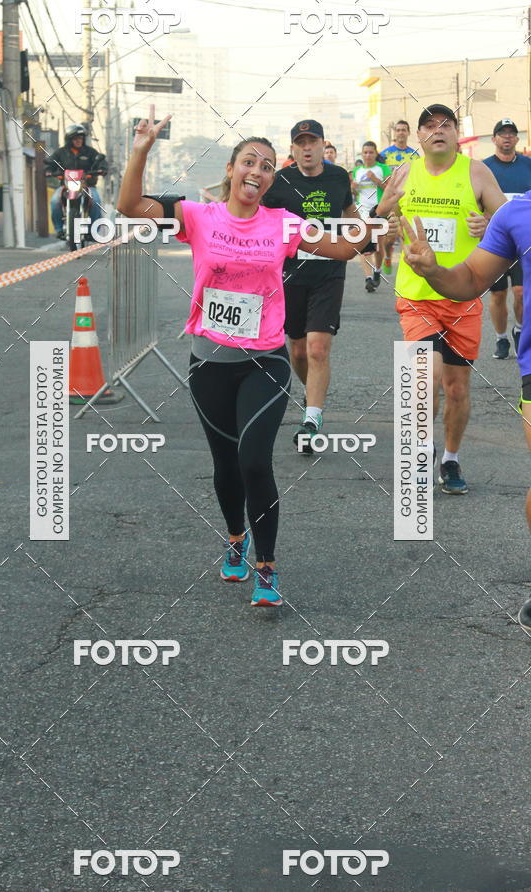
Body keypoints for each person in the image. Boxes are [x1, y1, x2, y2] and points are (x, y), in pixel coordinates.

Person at [116, 107, 391, 607]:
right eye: (249, 161)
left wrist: (375, 220)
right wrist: (141, 149)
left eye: (266, 165)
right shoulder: (197, 216)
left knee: (254, 461)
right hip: (208, 364)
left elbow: (344, 251)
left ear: (270, 179)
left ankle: (267, 567)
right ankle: (235, 538)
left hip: (265, 360)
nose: (257, 171)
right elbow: (130, 207)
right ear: (231, 169)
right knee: (225, 464)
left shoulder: (284, 224)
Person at [399, 193, 531, 629]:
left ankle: (447, 458)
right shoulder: (519, 211)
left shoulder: (480, 179)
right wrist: (434, 270)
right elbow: (472, 276)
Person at [377, 103, 506, 493]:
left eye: (446, 124)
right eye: (428, 125)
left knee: (456, 388)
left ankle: (450, 457)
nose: (438, 130)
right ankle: (422, 448)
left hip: (464, 295)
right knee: (424, 378)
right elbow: (380, 216)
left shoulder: (476, 172)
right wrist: (386, 211)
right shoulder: (403, 172)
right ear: (418, 136)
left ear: (455, 135)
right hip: (417, 294)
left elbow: (508, 225)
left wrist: (487, 224)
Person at [262, 120, 361, 450]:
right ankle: (312, 395)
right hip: (290, 275)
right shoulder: (278, 183)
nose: (306, 148)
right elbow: (258, 220)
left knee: (319, 347)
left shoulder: (338, 177)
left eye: (312, 142)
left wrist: (369, 232)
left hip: (330, 272)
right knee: (300, 350)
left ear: (322, 145)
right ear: (292, 149)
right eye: (300, 143)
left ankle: (311, 419)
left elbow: (349, 212)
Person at [482, 119, 531, 359]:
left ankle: (519, 330)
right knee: (498, 294)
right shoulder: (483, 168)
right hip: (496, 244)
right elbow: (475, 203)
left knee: (521, 292)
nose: (507, 137)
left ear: (517, 139)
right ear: (494, 139)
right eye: (502, 133)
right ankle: (501, 338)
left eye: (512, 133)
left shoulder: (528, 166)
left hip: (523, 244)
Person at [44, 124, 107, 238]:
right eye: (75, 138)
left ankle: (93, 231)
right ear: (69, 139)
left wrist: (102, 168)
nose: (79, 140)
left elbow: (100, 162)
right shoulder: (60, 153)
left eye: (81, 138)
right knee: (54, 201)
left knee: (96, 201)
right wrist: (48, 170)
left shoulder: (90, 152)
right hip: (66, 186)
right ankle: (59, 230)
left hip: (87, 185)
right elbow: (51, 163)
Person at [379, 119, 420, 275]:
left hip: (409, 200)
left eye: (404, 129)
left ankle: (410, 267)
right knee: (389, 237)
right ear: (394, 133)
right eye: (398, 130)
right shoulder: (384, 155)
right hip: (390, 200)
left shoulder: (415, 156)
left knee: (407, 234)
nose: (401, 132)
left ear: (409, 133)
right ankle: (388, 255)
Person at [352, 141, 392, 292]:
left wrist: (376, 180)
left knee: (379, 246)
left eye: (371, 152)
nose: (368, 155)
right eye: (365, 153)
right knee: (363, 246)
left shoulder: (383, 168)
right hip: (362, 211)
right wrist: (353, 189)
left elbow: (389, 189)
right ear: (362, 155)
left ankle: (377, 269)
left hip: (379, 210)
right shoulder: (357, 170)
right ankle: (368, 278)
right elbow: (355, 194)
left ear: (376, 153)